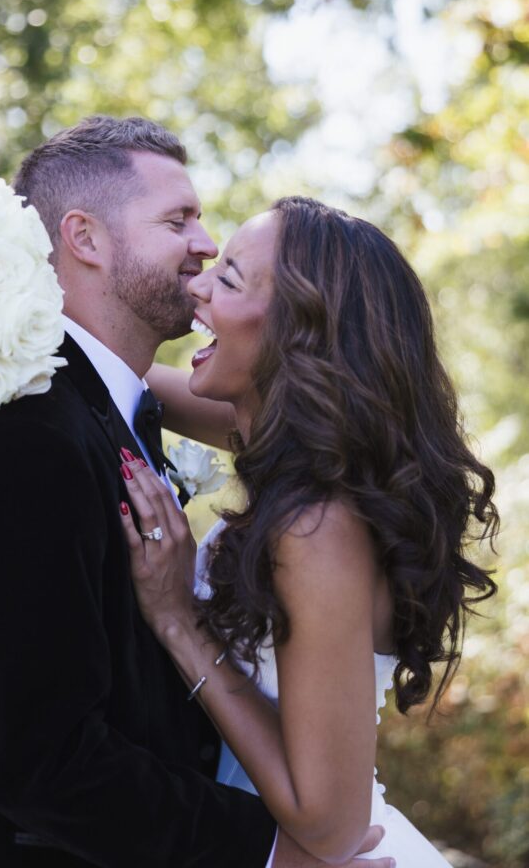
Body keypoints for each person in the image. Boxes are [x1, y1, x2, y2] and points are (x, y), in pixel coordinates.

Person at [0, 120, 392, 868]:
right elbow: (37, 762)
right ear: (85, 238)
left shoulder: (118, 414)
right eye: (178, 221)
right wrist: (269, 856)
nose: (205, 245)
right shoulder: (23, 444)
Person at [119, 197, 499, 868]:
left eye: (229, 279)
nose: (199, 286)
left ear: (298, 331)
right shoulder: (301, 458)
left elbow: (330, 827)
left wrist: (180, 621)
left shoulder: (316, 526)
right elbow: (112, 369)